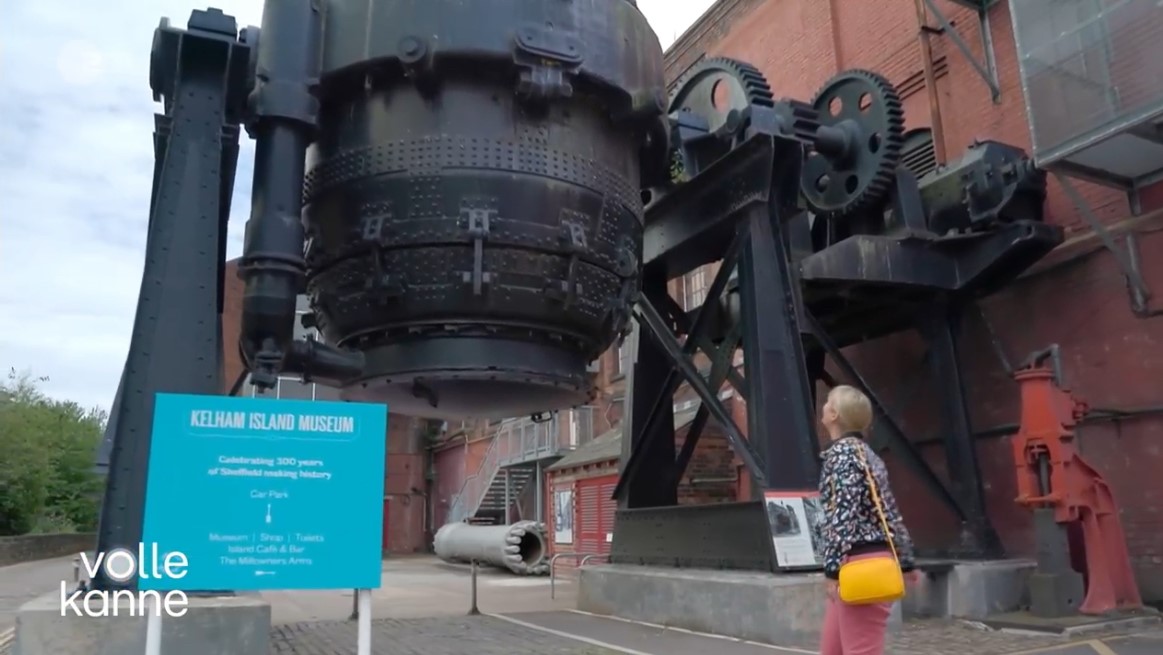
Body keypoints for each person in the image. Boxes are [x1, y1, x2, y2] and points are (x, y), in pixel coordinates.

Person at [817, 385, 921, 655]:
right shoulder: (869, 456)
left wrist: (831, 569)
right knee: (833, 650)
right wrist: (906, 559)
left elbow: (843, 512)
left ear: (835, 415)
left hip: (856, 566)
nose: (824, 407)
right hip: (867, 561)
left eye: (828, 403)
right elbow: (889, 511)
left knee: (861, 651)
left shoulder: (842, 456)